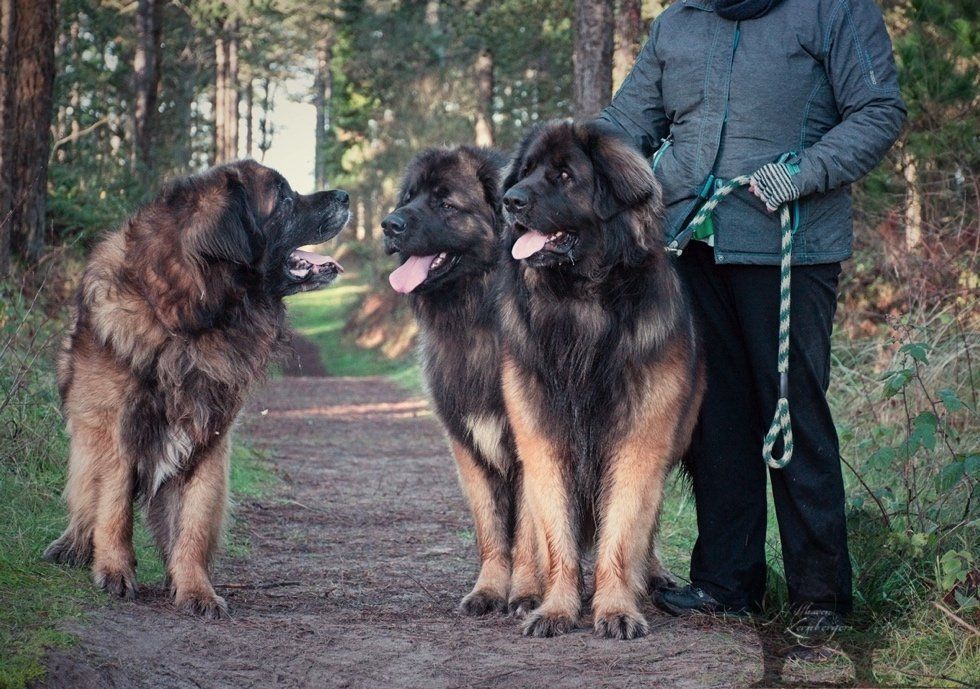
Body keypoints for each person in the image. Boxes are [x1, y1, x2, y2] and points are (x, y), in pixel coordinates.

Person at [598, 0, 906, 637]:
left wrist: (806, 172)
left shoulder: (834, 10)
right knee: (714, 416)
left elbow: (879, 111)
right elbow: (628, 122)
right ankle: (725, 583)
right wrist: (566, 162)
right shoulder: (678, 22)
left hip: (790, 247)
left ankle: (821, 596)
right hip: (689, 245)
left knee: (791, 411)